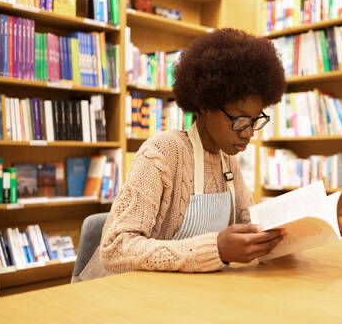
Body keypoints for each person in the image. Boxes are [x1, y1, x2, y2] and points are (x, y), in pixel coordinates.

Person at [75, 28, 287, 280]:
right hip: (138, 297)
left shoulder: (226, 158)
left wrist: (276, 237)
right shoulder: (162, 153)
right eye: (240, 120)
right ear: (206, 106)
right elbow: (115, 249)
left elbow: (248, 221)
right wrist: (214, 250)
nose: (249, 133)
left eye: (255, 120)